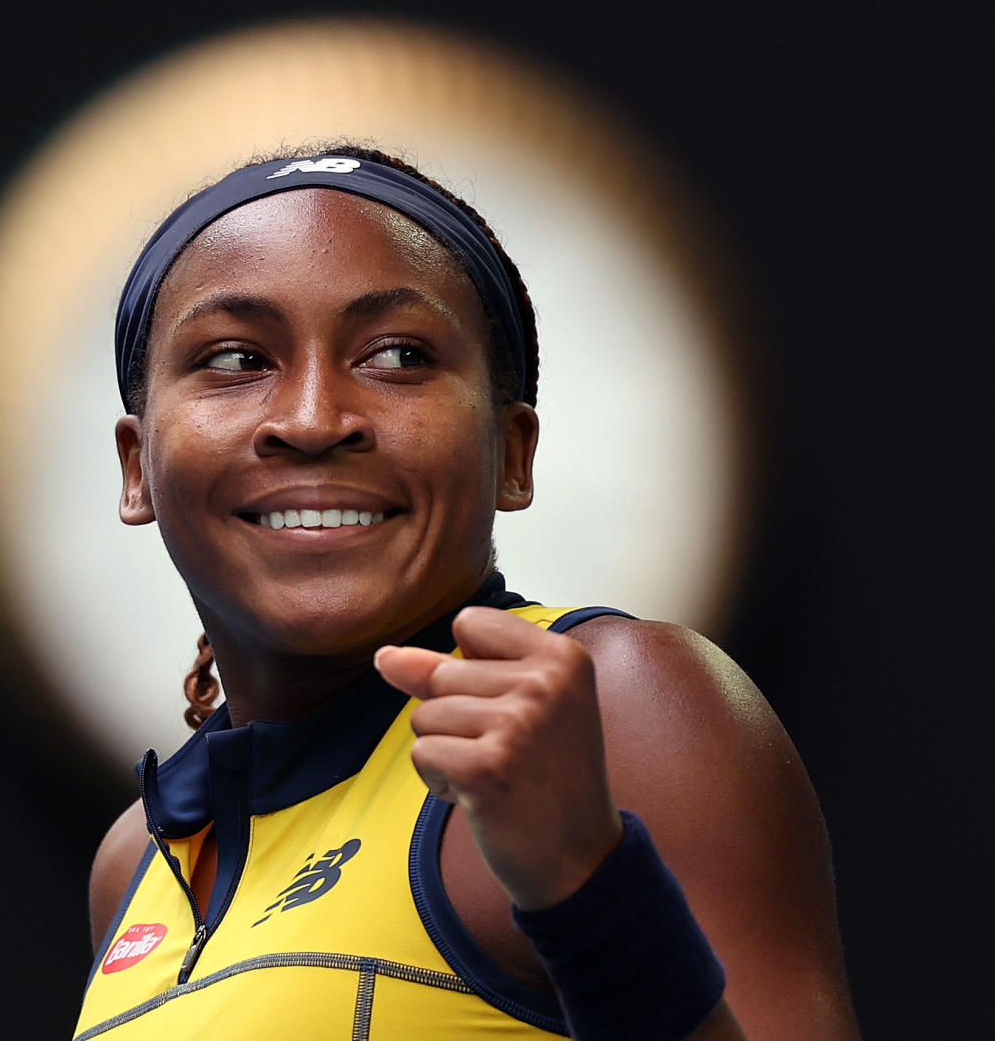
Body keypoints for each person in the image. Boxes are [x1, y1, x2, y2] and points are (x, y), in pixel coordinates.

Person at [72, 146, 861, 1040]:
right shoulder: (137, 857)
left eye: (399, 355)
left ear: (512, 453)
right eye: (236, 357)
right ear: (136, 468)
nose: (312, 419)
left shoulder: (617, 701)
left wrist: (587, 881)